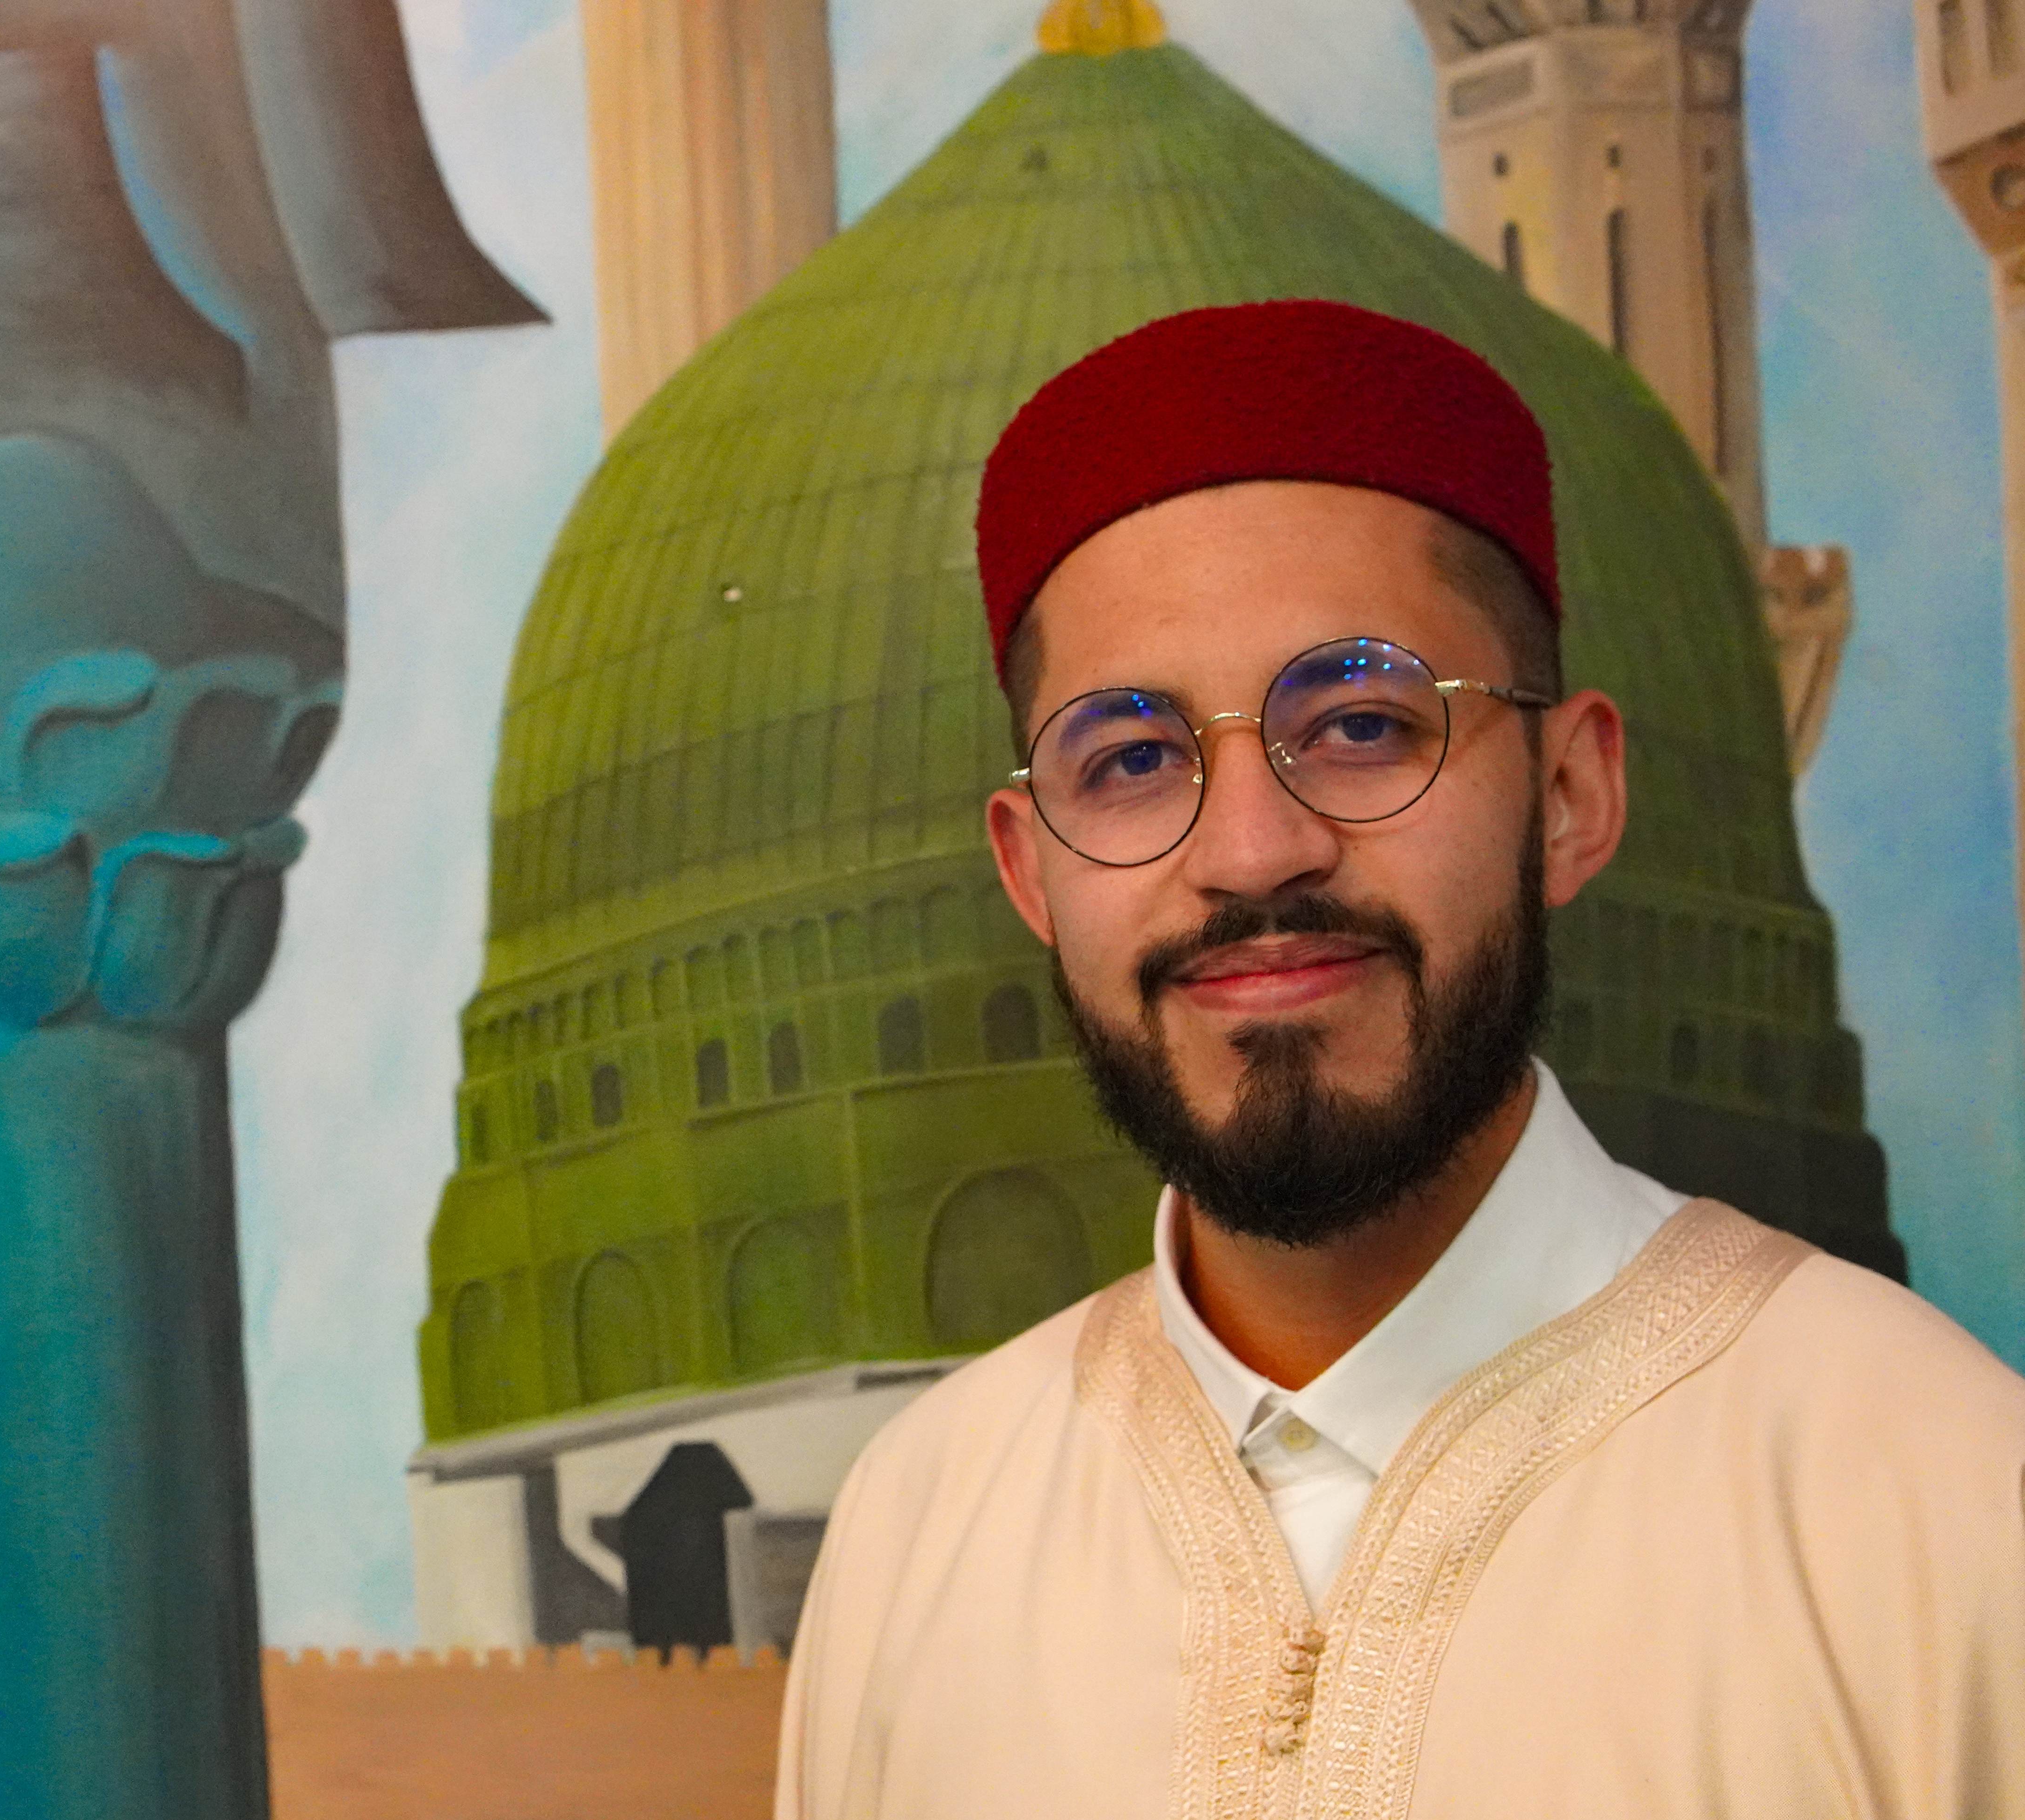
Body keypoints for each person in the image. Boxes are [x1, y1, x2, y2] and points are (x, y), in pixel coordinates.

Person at [774, 299, 2025, 1819]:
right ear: (1033, 871)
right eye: (1128, 758)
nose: (1251, 853)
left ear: (1566, 795)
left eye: (1361, 723)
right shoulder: (926, 1527)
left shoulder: (1932, 1492)